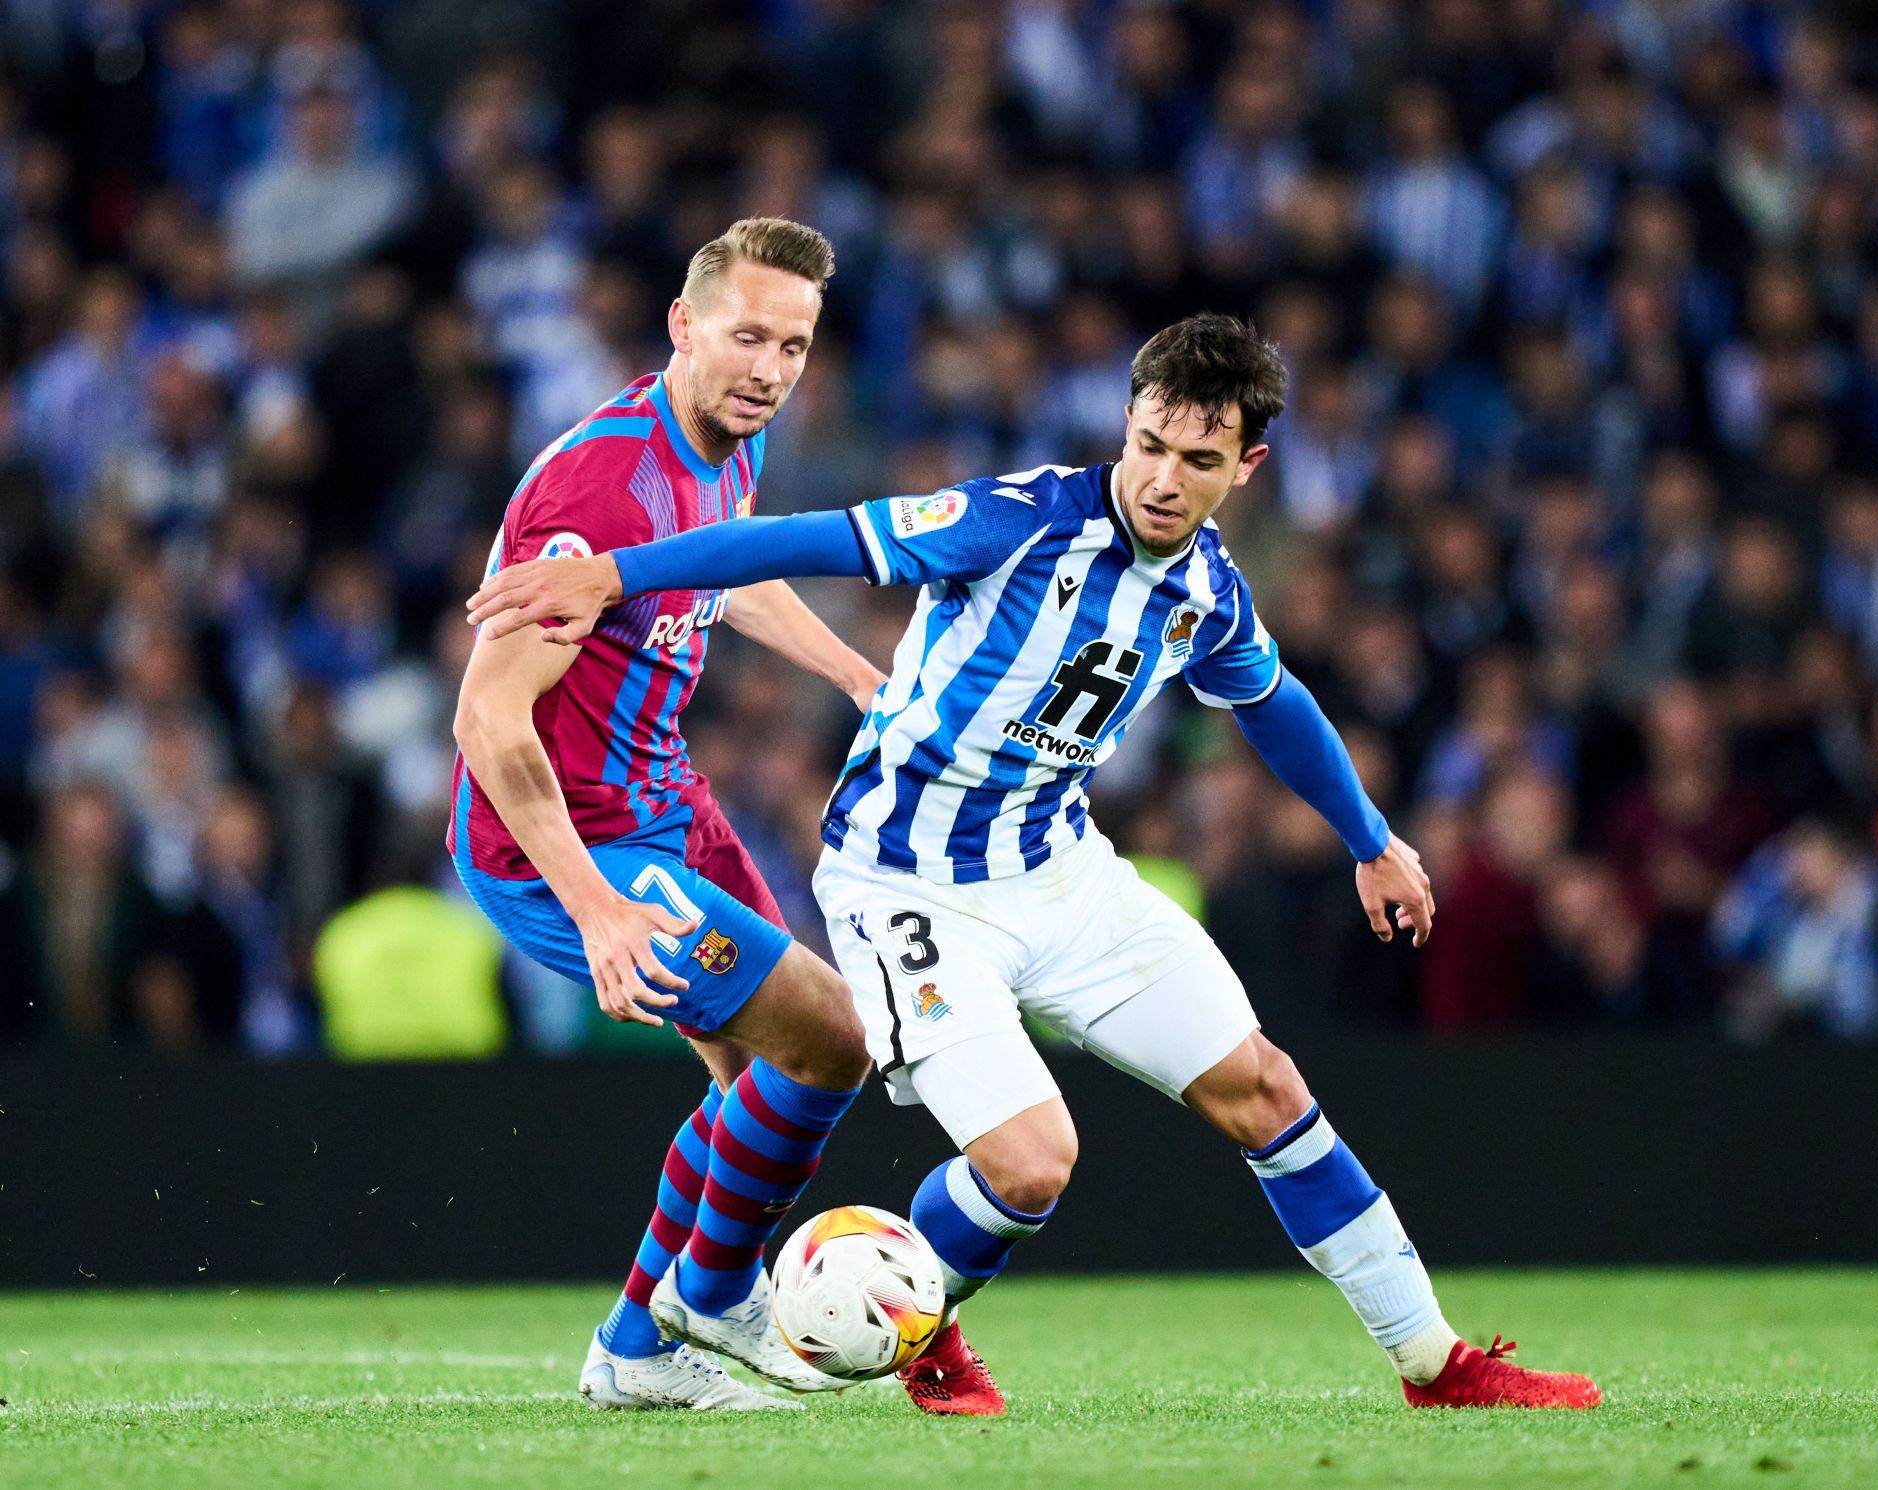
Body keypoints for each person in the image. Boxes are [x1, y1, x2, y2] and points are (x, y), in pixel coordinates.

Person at [467, 313, 1602, 1416]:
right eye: (1149, 444)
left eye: (1197, 459)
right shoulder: (1017, 520)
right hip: (905, 881)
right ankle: (902, 1318)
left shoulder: (1205, 586)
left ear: (1245, 466)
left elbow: (1274, 699)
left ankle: (1434, 1358)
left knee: (1268, 1087)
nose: (1162, 477)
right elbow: (808, 536)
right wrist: (616, 576)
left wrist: (1374, 842)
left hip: (1064, 872)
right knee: (1030, 1163)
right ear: (1128, 423)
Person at [449, 217, 885, 1412]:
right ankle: (707, 1294)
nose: (769, 368)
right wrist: (593, 908)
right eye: (748, 336)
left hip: (662, 801)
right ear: (683, 326)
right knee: (833, 1035)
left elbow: (729, 570)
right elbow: (488, 722)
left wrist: (852, 673)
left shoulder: (720, 441)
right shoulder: (599, 484)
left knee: (759, 1074)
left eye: (792, 346)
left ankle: (638, 1347)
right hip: (566, 842)